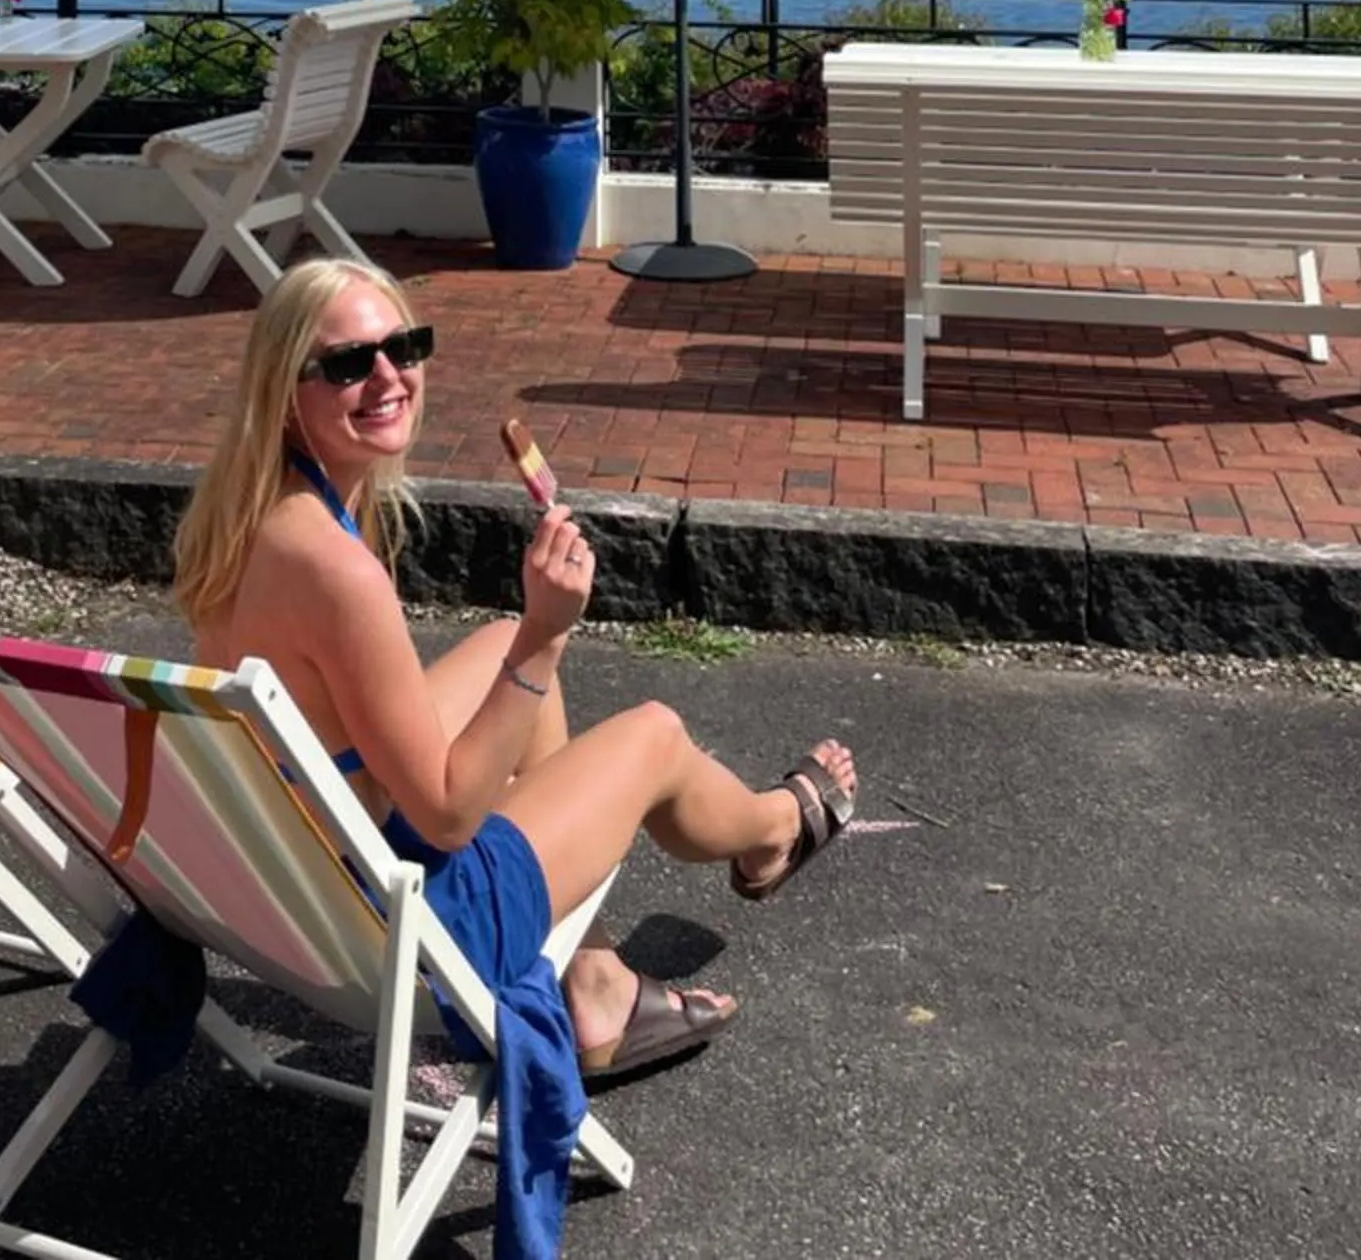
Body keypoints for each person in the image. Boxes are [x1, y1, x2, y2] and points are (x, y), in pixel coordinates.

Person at [174, 252, 857, 1085]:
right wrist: (547, 633)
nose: (388, 377)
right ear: (286, 394)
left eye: (406, 346)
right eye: (350, 363)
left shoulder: (244, 522)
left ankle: (594, 978)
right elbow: (451, 817)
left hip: (304, 889)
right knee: (653, 735)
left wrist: (519, 643)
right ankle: (777, 827)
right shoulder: (334, 570)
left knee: (498, 644)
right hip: (402, 924)